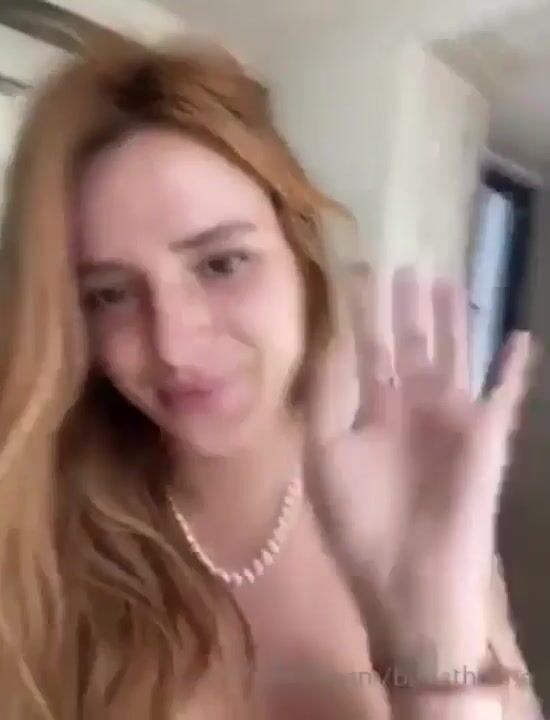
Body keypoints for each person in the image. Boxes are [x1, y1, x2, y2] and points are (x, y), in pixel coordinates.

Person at [0, 34, 542, 720]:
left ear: (300, 253)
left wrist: (434, 649)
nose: (174, 346)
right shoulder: (36, 536)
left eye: (222, 263)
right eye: (110, 294)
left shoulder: (408, 502)